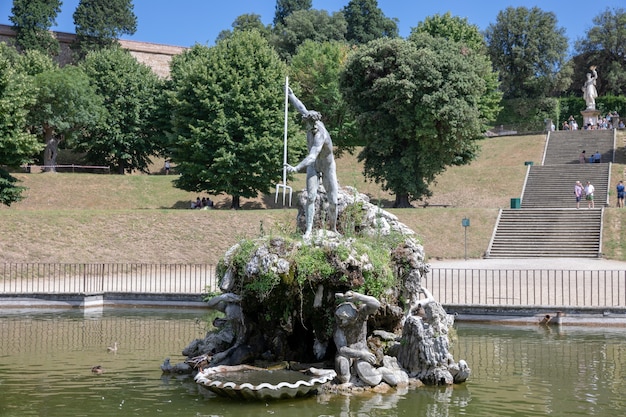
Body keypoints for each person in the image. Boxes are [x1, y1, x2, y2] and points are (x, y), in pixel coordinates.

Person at [285, 87, 339, 238]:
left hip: (327, 167)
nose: (305, 127)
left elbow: (312, 156)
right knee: (310, 197)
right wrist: (291, 95)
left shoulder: (320, 135)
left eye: (306, 125)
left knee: (333, 201)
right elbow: (302, 107)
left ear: (312, 124)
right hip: (313, 168)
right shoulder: (310, 119)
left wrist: (296, 168)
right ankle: (308, 230)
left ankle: (333, 229)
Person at [333, 291, 381, 385]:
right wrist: (361, 354)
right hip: (347, 353)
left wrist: (357, 297)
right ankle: (349, 381)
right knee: (342, 367)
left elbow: (376, 304)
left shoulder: (361, 314)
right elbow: (342, 349)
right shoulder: (338, 328)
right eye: (340, 319)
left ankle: (365, 379)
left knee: (365, 369)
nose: (342, 322)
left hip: (362, 348)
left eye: (345, 320)